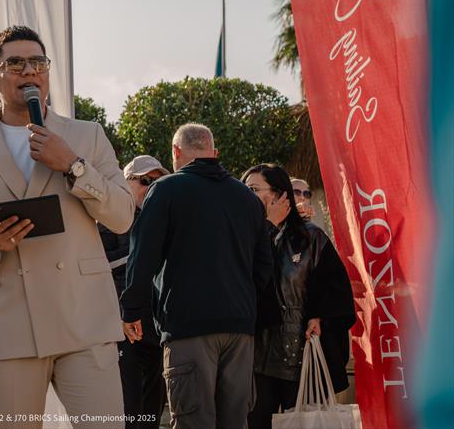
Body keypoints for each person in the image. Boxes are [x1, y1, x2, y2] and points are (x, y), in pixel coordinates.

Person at [0, 26, 135, 428]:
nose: (30, 71)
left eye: (38, 62)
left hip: (84, 319)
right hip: (9, 326)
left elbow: (123, 215)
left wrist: (74, 166)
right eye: (16, 63)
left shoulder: (87, 136)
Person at [120, 123, 274, 429]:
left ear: (176, 151)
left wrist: (132, 309)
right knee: (235, 422)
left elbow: (143, 256)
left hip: (187, 326)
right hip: (239, 329)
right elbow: (264, 265)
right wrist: (241, 300)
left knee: (193, 421)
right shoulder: (247, 198)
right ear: (214, 153)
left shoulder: (165, 190)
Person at [242, 164, 355, 429]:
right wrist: (268, 227)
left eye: (254, 190)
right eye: (245, 190)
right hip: (256, 358)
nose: (247, 196)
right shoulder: (242, 236)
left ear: (280, 195)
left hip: (303, 355)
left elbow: (336, 290)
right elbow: (245, 281)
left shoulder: (311, 237)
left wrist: (320, 317)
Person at [98, 155, 169, 429]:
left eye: (157, 182)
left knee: (153, 409)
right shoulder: (107, 219)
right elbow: (98, 266)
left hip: (156, 325)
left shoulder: (163, 218)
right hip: (122, 326)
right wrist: (142, 255)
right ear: (125, 182)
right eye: (145, 181)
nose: (151, 187)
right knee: (128, 408)